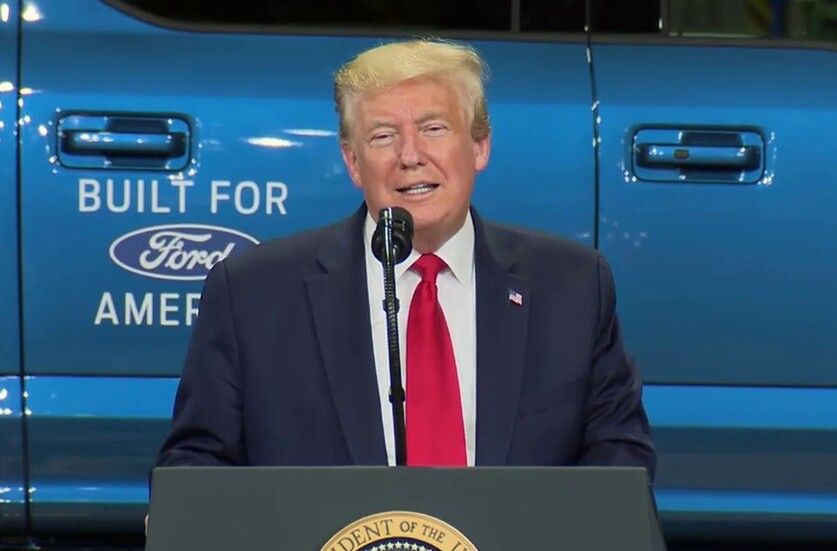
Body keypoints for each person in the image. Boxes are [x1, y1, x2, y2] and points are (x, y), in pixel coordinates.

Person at [155, 39, 655, 477]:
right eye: (383, 136)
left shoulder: (571, 287)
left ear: (480, 146)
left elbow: (619, 457)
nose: (410, 156)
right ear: (353, 162)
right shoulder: (253, 295)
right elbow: (197, 466)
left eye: (434, 128)